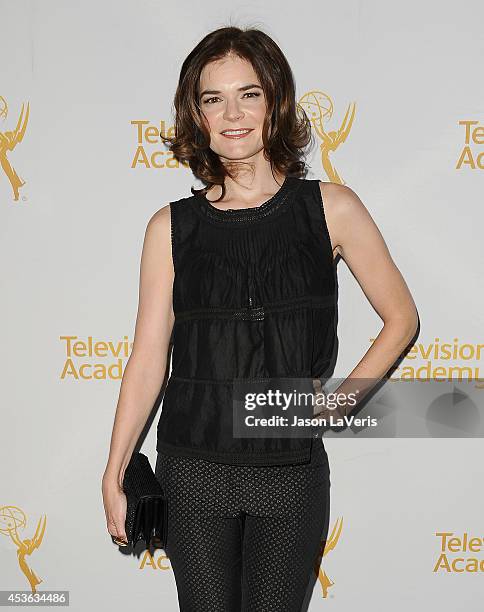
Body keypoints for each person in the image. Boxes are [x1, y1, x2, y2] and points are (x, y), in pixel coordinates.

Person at [102, 26, 418, 611]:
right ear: (195, 115)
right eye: (212, 98)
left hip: (288, 463)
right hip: (191, 463)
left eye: (249, 94)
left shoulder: (332, 209)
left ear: (275, 100)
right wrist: (115, 468)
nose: (232, 114)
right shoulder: (170, 228)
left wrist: (339, 402)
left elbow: (400, 317)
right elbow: (148, 357)